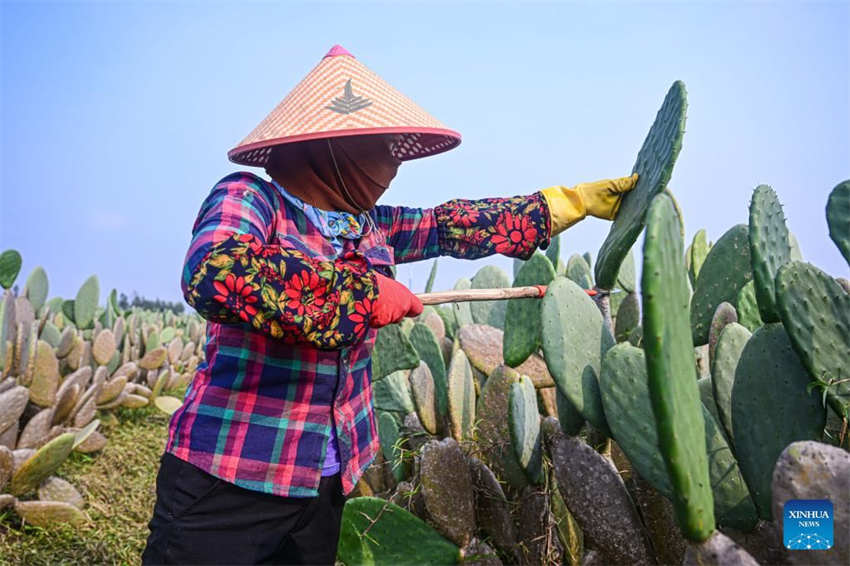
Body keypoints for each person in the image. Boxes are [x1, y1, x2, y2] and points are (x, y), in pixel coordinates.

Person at [142, 45, 637, 565]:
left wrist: (565, 204)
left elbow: (451, 225)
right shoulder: (250, 200)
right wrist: (360, 294)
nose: (393, 161)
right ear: (328, 148)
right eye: (379, 145)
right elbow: (214, 271)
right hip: (232, 472)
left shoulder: (368, 225)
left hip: (326, 473)